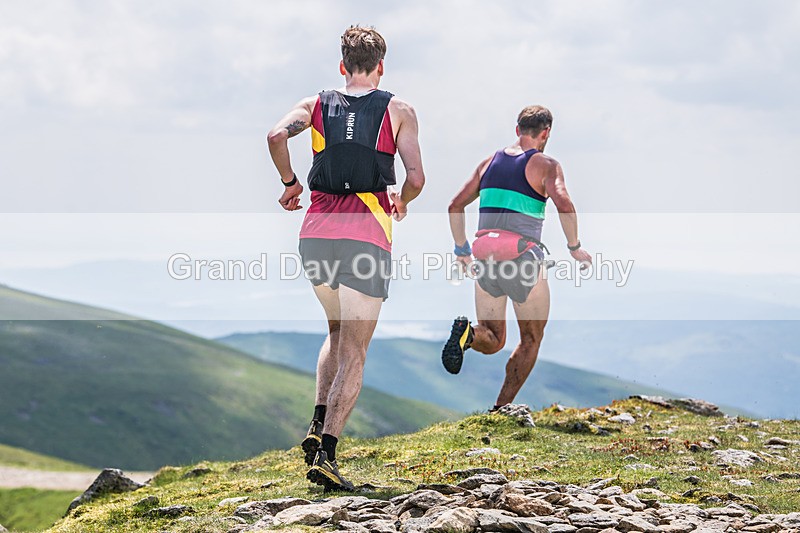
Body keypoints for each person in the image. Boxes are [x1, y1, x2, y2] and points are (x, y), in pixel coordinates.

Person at [266, 26, 425, 491]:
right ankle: (328, 453)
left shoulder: (314, 105)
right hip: (367, 235)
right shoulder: (399, 110)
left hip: (315, 233)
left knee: (335, 331)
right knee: (356, 348)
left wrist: (290, 183)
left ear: (341, 65)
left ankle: (317, 425)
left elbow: (276, 135)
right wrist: (404, 199)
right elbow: (415, 175)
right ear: (381, 66)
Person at [442, 105, 591, 411]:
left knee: (493, 338)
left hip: (484, 256)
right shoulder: (547, 165)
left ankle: (468, 334)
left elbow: (455, 205)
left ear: (517, 130)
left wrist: (461, 250)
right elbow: (564, 204)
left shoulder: (488, 163)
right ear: (546, 132)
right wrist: (574, 246)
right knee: (531, 338)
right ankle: (501, 408)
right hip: (522, 258)